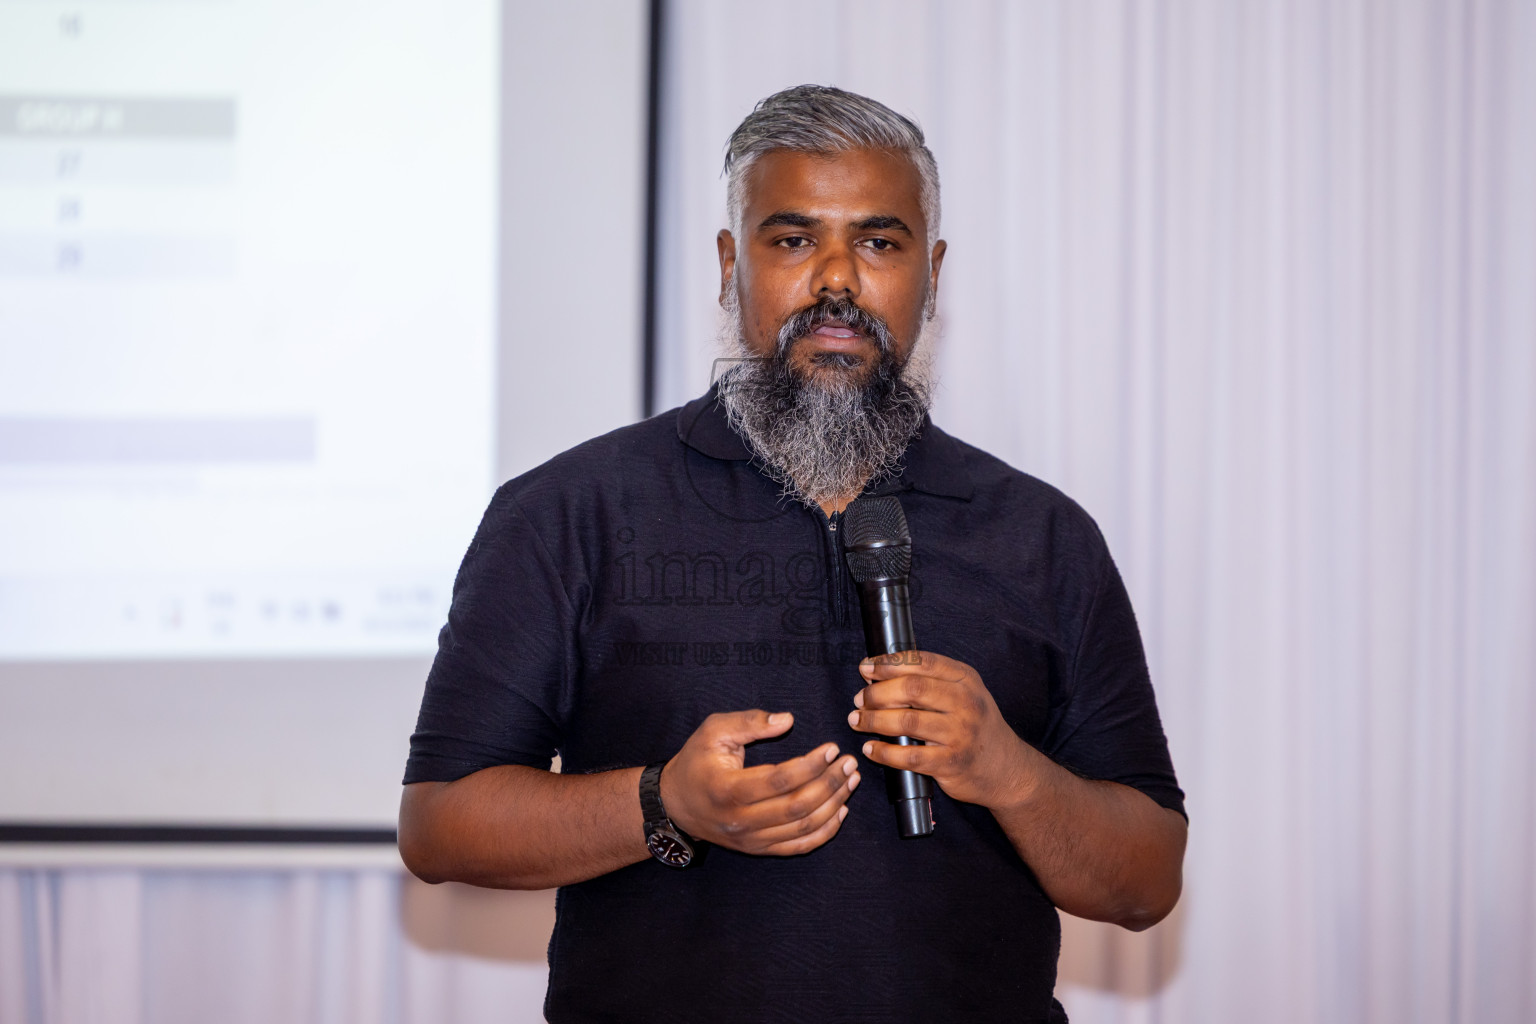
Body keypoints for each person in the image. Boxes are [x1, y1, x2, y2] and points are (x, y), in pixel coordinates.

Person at [399, 85, 1186, 1023]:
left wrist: (1007, 769)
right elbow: (440, 825)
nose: (838, 281)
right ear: (732, 266)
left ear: (931, 274)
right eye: (794, 240)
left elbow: (1144, 883)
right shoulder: (573, 511)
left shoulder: (1042, 535)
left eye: (880, 243)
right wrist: (665, 805)